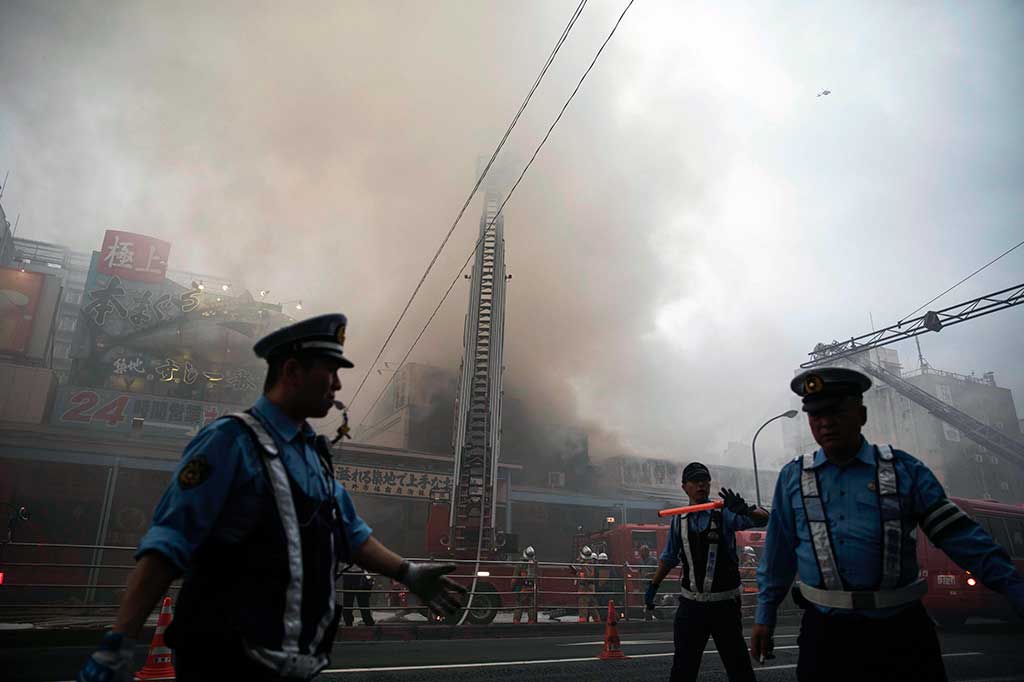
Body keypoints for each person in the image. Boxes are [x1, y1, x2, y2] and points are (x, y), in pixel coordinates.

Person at [77, 314, 466, 682]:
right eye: (329, 371)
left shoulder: (312, 455)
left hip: (289, 663)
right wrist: (119, 642)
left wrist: (407, 572)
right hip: (224, 660)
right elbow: (168, 544)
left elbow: (350, 533)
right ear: (292, 372)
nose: (337, 385)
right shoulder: (228, 441)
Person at [750, 367, 1024, 682]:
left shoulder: (905, 471)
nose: (825, 422)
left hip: (901, 632)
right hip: (825, 634)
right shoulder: (792, 478)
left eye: (836, 411)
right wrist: (764, 616)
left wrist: (1015, 589)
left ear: (861, 414)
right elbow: (778, 555)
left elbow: (961, 537)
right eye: (816, 415)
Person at [645, 462, 769, 682]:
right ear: (685, 487)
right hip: (691, 605)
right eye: (695, 481)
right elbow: (669, 557)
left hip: (725, 605)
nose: (701, 485)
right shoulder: (678, 520)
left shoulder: (725, 514)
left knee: (739, 668)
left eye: (705, 480)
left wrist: (746, 509)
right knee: (683, 669)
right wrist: (653, 585)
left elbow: (764, 518)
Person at [512, 546, 538, 624]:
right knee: (531, 606)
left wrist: (512, 587)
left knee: (519, 605)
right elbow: (538, 577)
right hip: (532, 588)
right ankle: (531, 622)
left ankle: (516, 622)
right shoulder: (535, 564)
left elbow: (515, 578)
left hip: (522, 588)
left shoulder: (520, 564)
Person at [575, 546, 600, 623]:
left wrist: (578, 572)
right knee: (592, 606)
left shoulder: (585, 566)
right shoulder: (591, 564)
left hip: (585, 588)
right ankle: (597, 621)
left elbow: (584, 577)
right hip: (590, 588)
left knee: (583, 605)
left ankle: (582, 622)